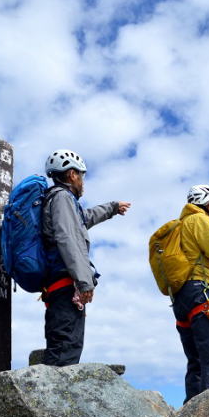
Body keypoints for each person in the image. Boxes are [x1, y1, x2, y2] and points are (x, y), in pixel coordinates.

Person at [39, 149, 130, 366]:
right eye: (81, 175)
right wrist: (84, 281)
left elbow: (83, 219)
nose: (83, 181)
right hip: (64, 285)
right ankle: (52, 399)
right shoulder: (62, 198)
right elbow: (68, 238)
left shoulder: (63, 201)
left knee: (65, 346)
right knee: (65, 350)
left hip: (59, 285)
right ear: (72, 174)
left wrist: (112, 208)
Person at [174, 185, 209, 403]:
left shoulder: (180, 225)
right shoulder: (199, 220)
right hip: (201, 292)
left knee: (196, 361)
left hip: (182, 296)